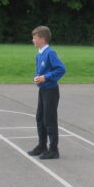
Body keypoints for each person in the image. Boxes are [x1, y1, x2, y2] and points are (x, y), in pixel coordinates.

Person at [28, 25, 66, 160]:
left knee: (49, 119)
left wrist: (45, 77)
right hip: (43, 90)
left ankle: (54, 149)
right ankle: (42, 145)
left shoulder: (50, 53)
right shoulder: (39, 54)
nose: (33, 40)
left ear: (43, 39)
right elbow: (39, 71)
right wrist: (36, 77)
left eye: (35, 38)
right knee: (40, 118)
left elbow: (61, 69)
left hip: (51, 91)